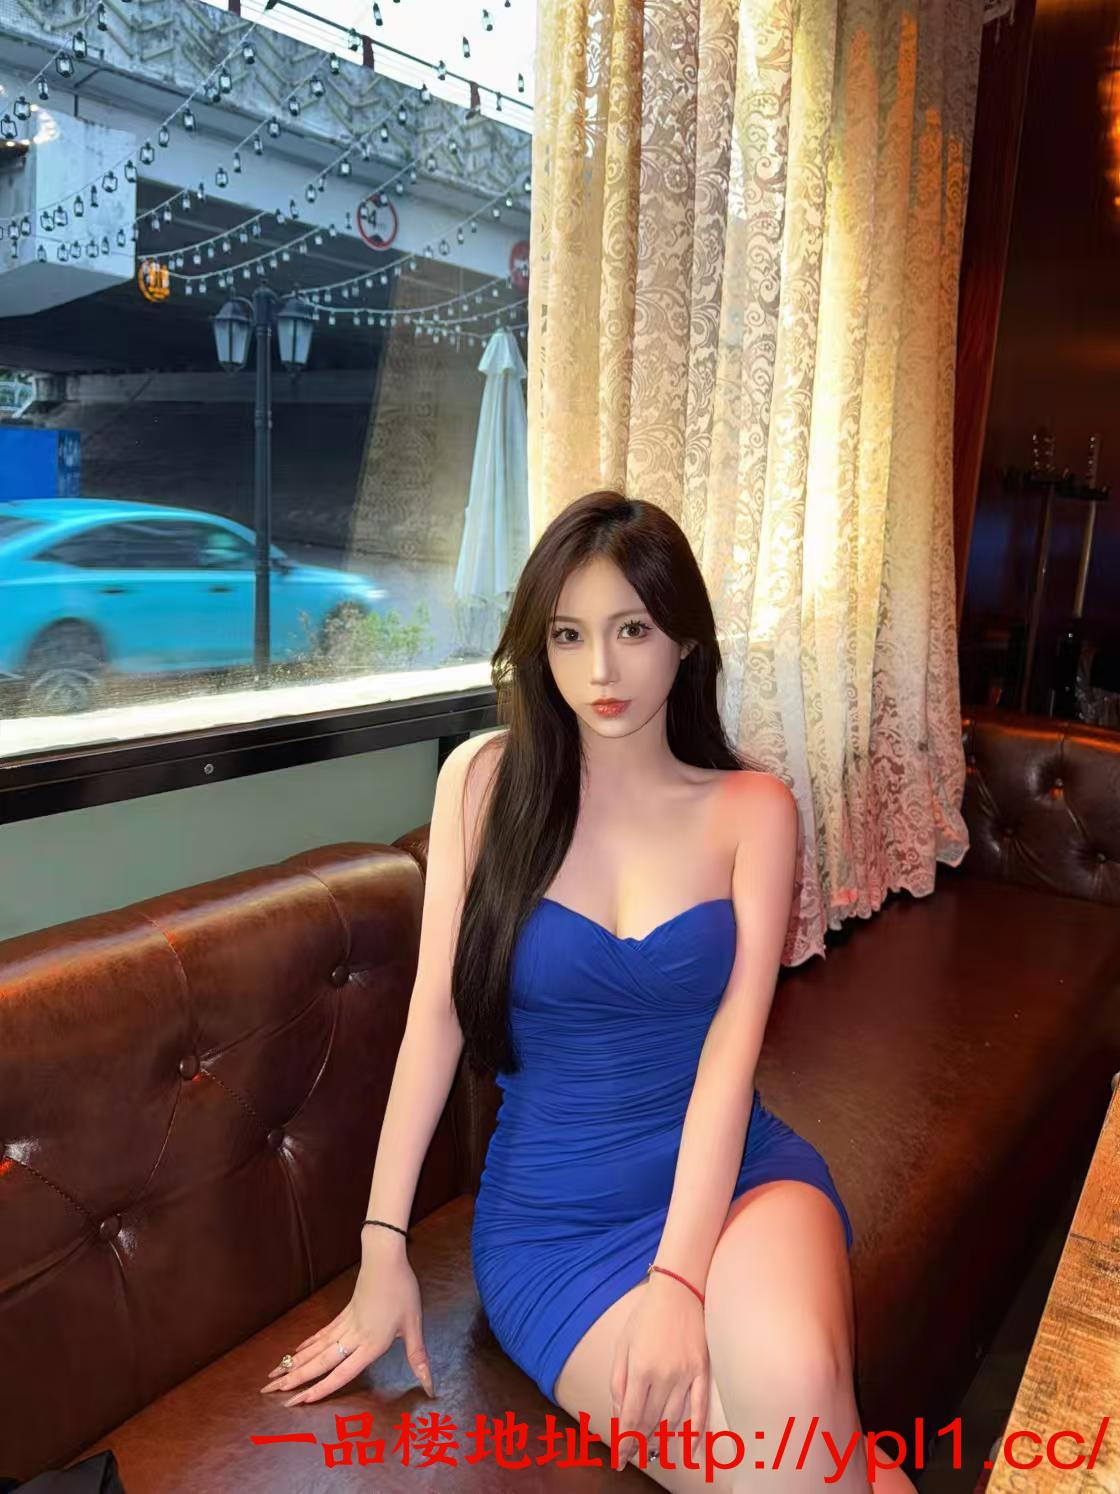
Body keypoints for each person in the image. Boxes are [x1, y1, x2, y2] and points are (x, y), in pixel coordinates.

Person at [257, 491, 917, 1493]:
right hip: (554, 1234)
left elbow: (728, 1062)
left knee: (798, 1390)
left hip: (741, 1181)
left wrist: (679, 1279)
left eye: (632, 630)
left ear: (684, 640)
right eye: (569, 635)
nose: (600, 670)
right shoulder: (483, 783)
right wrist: (381, 1246)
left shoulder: (754, 809)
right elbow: (436, 1019)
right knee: (796, 1472)